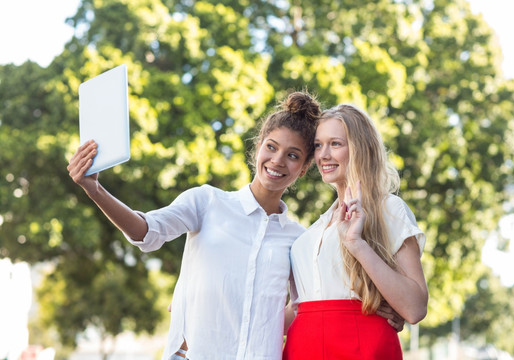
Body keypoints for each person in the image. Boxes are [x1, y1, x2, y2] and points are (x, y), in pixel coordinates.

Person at [67, 91, 322, 360]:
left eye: (293, 155)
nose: (278, 160)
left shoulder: (298, 238)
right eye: (271, 147)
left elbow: (302, 307)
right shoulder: (206, 202)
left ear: (304, 168)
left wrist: (251, 318)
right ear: (258, 146)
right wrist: (95, 189)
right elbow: (146, 232)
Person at [283, 104, 428, 360]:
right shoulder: (312, 232)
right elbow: (296, 309)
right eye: (318, 145)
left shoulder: (389, 209)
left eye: (335, 144)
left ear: (360, 148)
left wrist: (357, 244)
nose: (324, 155)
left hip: (361, 347)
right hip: (301, 348)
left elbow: (415, 308)